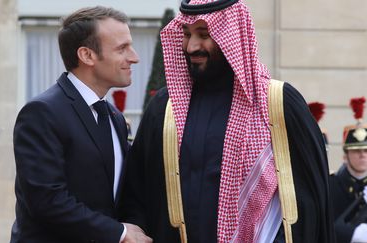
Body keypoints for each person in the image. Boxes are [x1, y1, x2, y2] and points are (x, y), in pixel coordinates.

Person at [118, 0, 335, 242]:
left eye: (204, 35)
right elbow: (137, 195)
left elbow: (310, 200)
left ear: (232, 36)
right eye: (187, 34)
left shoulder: (278, 104)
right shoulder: (165, 108)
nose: (191, 46)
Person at [10, 6, 152, 243]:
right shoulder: (42, 113)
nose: (134, 57)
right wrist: (120, 233)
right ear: (87, 55)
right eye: (122, 48)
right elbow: (47, 201)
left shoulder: (115, 118)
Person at [330, 97, 367, 243]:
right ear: (345, 156)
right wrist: (354, 233)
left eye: (365, 150)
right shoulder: (331, 185)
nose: (362, 155)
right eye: (356, 150)